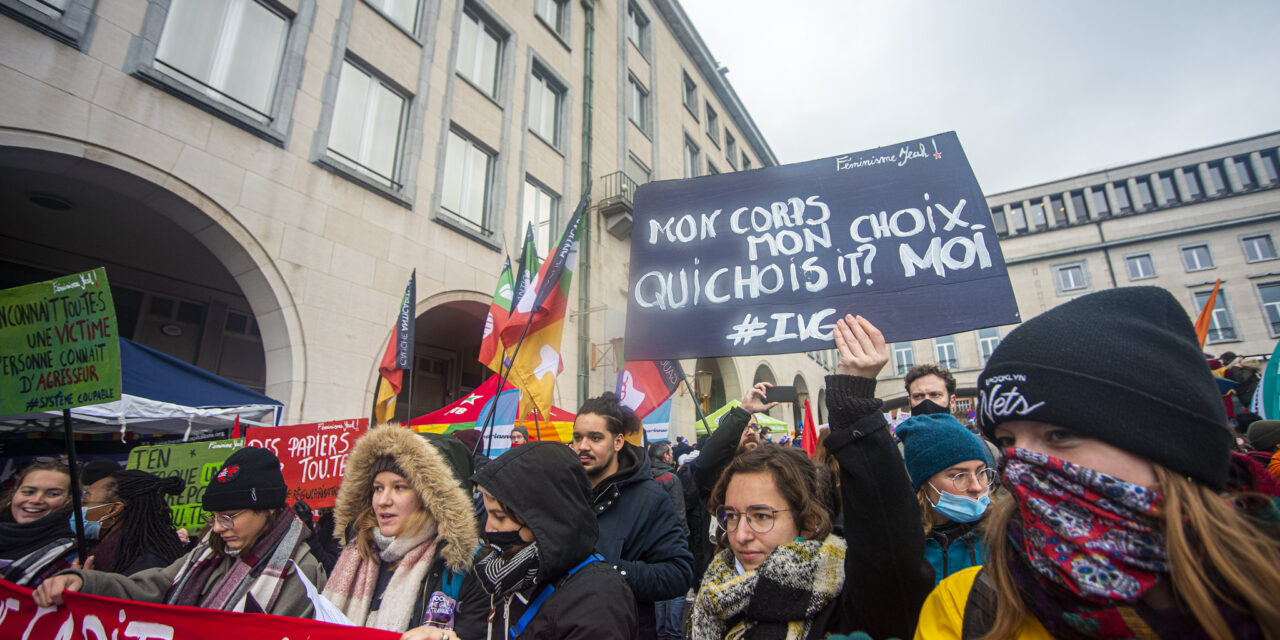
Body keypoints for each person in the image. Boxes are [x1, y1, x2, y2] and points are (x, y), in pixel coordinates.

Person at [916, 286, 1280, 639]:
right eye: (1007, 442)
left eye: (1059, 435)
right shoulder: (969, 607)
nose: (1021, 467)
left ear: (1167, 444)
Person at [690, 314, 934, 639]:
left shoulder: (840, 599)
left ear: (807, 520)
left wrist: (856, 405)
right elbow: (704, 470)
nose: (741, 534)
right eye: (731, 516)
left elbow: (891, 551)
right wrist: (741, 413)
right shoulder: (713, 590)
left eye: (762, 516)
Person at [34, 447, 327, 618]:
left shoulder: (300, 571)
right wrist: (84, 581)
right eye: (213, 517)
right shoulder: (208, 552)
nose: (218, 528)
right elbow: (153, 586)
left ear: (268, 510)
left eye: (229, 517)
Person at [322, 426, 482, 638]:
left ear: (431, 499)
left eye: (399, 487)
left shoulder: (467, 568)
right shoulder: (357, 553)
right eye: (378, 488)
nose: (383, 501)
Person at [472, 440, 638, 639]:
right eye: (487, 515)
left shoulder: (598, 600)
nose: (488, 528)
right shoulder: (521, 573)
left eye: (499, 516)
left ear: (544, 519)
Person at [572, 392, 693, 639]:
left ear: (618, 442)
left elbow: (679, 573)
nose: (583, 446)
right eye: (577, 437)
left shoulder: (651, 499)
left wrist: (610, 569)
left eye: (595, 438)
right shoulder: (563, 493)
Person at [897, 414, 994, 584]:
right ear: (925, 484)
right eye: (959, 475)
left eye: (981, 472)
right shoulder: (904, 548)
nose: (976, 486)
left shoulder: (1005, 536)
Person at [80, 469, 186, 575]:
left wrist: (88, 583)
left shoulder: (146, 563)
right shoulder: (96, 547)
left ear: (114, 509)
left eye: (86, 502)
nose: (81, 508)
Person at [0, 459, 76, 586]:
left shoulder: (70, 552)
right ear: (14, 493)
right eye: (28, 492)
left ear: (68, 501)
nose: (36, 500)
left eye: (52, 494)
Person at [647, 440, 689, 640]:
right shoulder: (672, 479)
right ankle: (672, 633)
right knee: (677, 586)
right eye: (670, 452)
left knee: (658, 584)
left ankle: (660, 632)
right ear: (665, 456)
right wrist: (684, 537)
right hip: (673, 538)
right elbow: (679, 512)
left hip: (651, 540)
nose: (672, 455)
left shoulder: (645, 478)